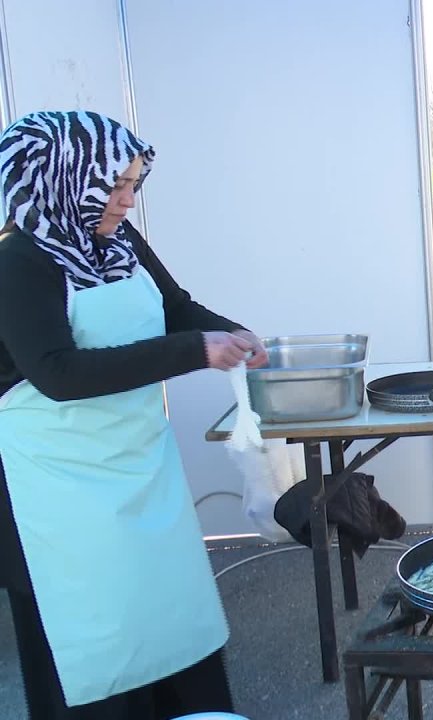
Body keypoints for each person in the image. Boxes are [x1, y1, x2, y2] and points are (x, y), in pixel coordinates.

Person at [0, 110, 268, 719]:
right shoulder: (17, 262)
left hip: (137, 462)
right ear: (61, 177)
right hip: (58, 488)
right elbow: (57, 373)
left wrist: (234, 333)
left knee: (166, 612)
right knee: (94, 631)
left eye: (132, 185)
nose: (125, 201)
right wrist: (193, 351)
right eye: (114, 186)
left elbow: (175, 306)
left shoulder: (116, 240)